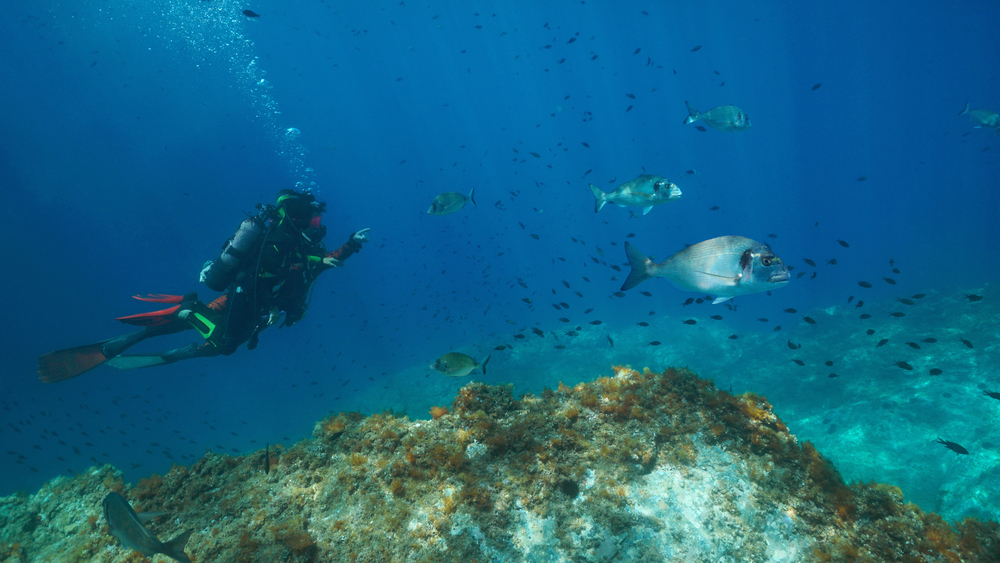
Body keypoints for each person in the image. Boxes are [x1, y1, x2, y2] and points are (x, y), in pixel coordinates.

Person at [37, 189, 369, 382]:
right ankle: (187, 310)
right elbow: (285, 265)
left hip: (254, 301)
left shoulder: (304, 245)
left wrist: (350, 246)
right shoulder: (282, 239)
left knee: (219, 344)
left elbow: (319, 265)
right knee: (223, 343)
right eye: (315, 217)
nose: (319, 223)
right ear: (300, 216)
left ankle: (139, 339)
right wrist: (315, 261)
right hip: (245, 295)